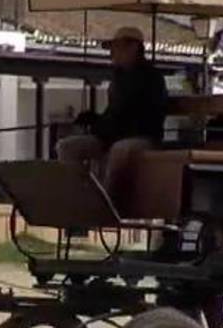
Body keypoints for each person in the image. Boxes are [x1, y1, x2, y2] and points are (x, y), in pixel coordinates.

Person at [56, 26, 169, 204]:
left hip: (143, 137)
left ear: (133, 48)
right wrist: (94, 119)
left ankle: (106, 203)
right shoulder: (119, 78)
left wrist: (102, 125)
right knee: (67, 147)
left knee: (119, 150)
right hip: (113, 136)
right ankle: (76, 198)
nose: (112, 53)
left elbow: (138, 116)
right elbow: (114, 114)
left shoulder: (152, 78)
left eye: (117, 48)